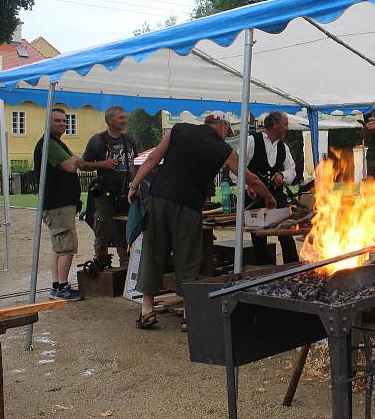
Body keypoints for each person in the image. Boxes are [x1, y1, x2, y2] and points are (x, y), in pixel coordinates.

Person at [127, 114, 276, 329]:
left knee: (153, 251)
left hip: (159, 198)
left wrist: (134, 186)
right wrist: (269, 198)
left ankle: (147, 311)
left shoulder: (178, 130)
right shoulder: (222, 149)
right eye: (228, 130)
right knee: (187, 256)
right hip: (188, 205)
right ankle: (189, 314)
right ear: (223, 126)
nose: (227, 135)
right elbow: (249, 177)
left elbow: (152, 160)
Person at [34, 108, 86, 302]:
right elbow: (72, 165)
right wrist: (74, 160)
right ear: (47, 122)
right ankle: (62, 287)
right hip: (58, 204)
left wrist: (75, 160)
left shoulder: (57, 143)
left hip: (59, 204)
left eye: (64, 121)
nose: (62, 124)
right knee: (66, 245)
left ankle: (57, 285)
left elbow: (76, 161)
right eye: (57, 121)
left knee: (58, 246)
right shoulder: (49, 143)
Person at [82, 106, 137, 266]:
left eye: (124, 117)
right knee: (103, 230)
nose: (124, 120)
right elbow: (83, 165)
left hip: (125, 193)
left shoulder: (129, 140)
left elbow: (135, 164)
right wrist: (103, 164)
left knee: (125, 231)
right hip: (106, 194)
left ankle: (126, 265)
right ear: (110, 120)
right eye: (121, 118)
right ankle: (101, 264)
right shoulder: (97, 140)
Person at [242, 111, 299, 265]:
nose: (287, 128)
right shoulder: (251, 141)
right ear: (274, 124)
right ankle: (266, 271)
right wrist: (248, 185)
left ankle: (293, 267)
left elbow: (292, 171)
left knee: (286, 233)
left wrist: (282, 175)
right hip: (255, 199)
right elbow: (237, 168)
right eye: (285, 124)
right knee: (259, 238)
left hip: (276, 198)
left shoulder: (283, 147)